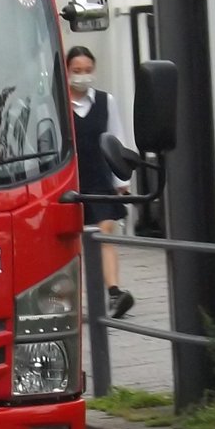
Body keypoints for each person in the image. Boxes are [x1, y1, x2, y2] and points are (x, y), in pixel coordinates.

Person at [67, 45, 134, 317]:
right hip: (68, 183)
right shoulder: (55, 101)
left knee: (105, 233)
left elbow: (116, 139)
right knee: (72, 241)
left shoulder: (106, 101)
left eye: (87, 70)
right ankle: (74, 298)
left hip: (99, 178)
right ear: (67, 72)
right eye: (77, 71)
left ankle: (114, 292)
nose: (83, 76)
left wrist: (122, 180)